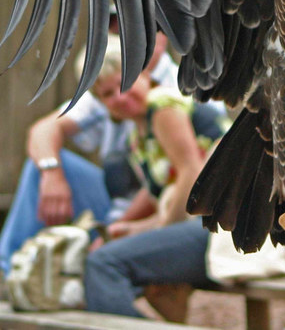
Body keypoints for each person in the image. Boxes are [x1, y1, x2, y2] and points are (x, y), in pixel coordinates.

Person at [0, 17, 180, 299]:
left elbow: (172, 179)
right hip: (121, 203)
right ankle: (13, 277)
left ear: (166, 37)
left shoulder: (176, 94)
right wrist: (51, 172)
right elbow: (44, 128)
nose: (128, 36)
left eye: (145, 30)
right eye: (118, 29)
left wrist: (119, 228)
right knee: (44, 164)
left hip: (168, 210)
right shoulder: (110, 80)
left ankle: (32, 281)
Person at [82, 34, 227, 321]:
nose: (120, 97)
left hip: (225, 227)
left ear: (144, 73)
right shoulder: (139, 133)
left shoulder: (163, 106)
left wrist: (155, 233)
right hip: (201, 225)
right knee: (99, 246)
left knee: (103, 265)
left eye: (125, 83)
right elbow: (157, 194)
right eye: (108, 94)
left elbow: (191, 175)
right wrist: (125, 228)